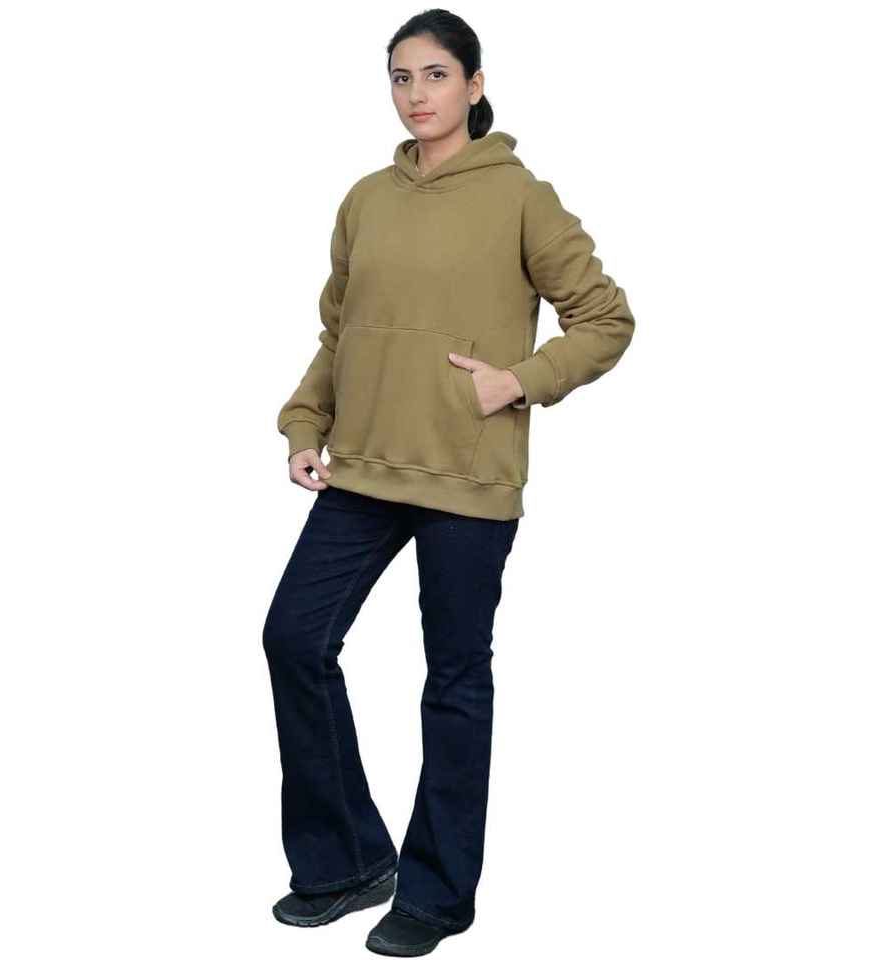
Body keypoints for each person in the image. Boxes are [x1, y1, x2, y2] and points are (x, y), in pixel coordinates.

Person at [263, 9, 635, 956]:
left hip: (468, 478)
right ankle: (347, 862)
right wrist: (305, 423)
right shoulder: (365, 199)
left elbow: (605, 318)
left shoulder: (521, 197)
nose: (416, 94)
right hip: (365, 468)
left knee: (454, 680)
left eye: (435, 75)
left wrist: (521, 381)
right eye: (400, 76)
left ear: (474, 84)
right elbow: (341, 333)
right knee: (294, 637)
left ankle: (437, 894)